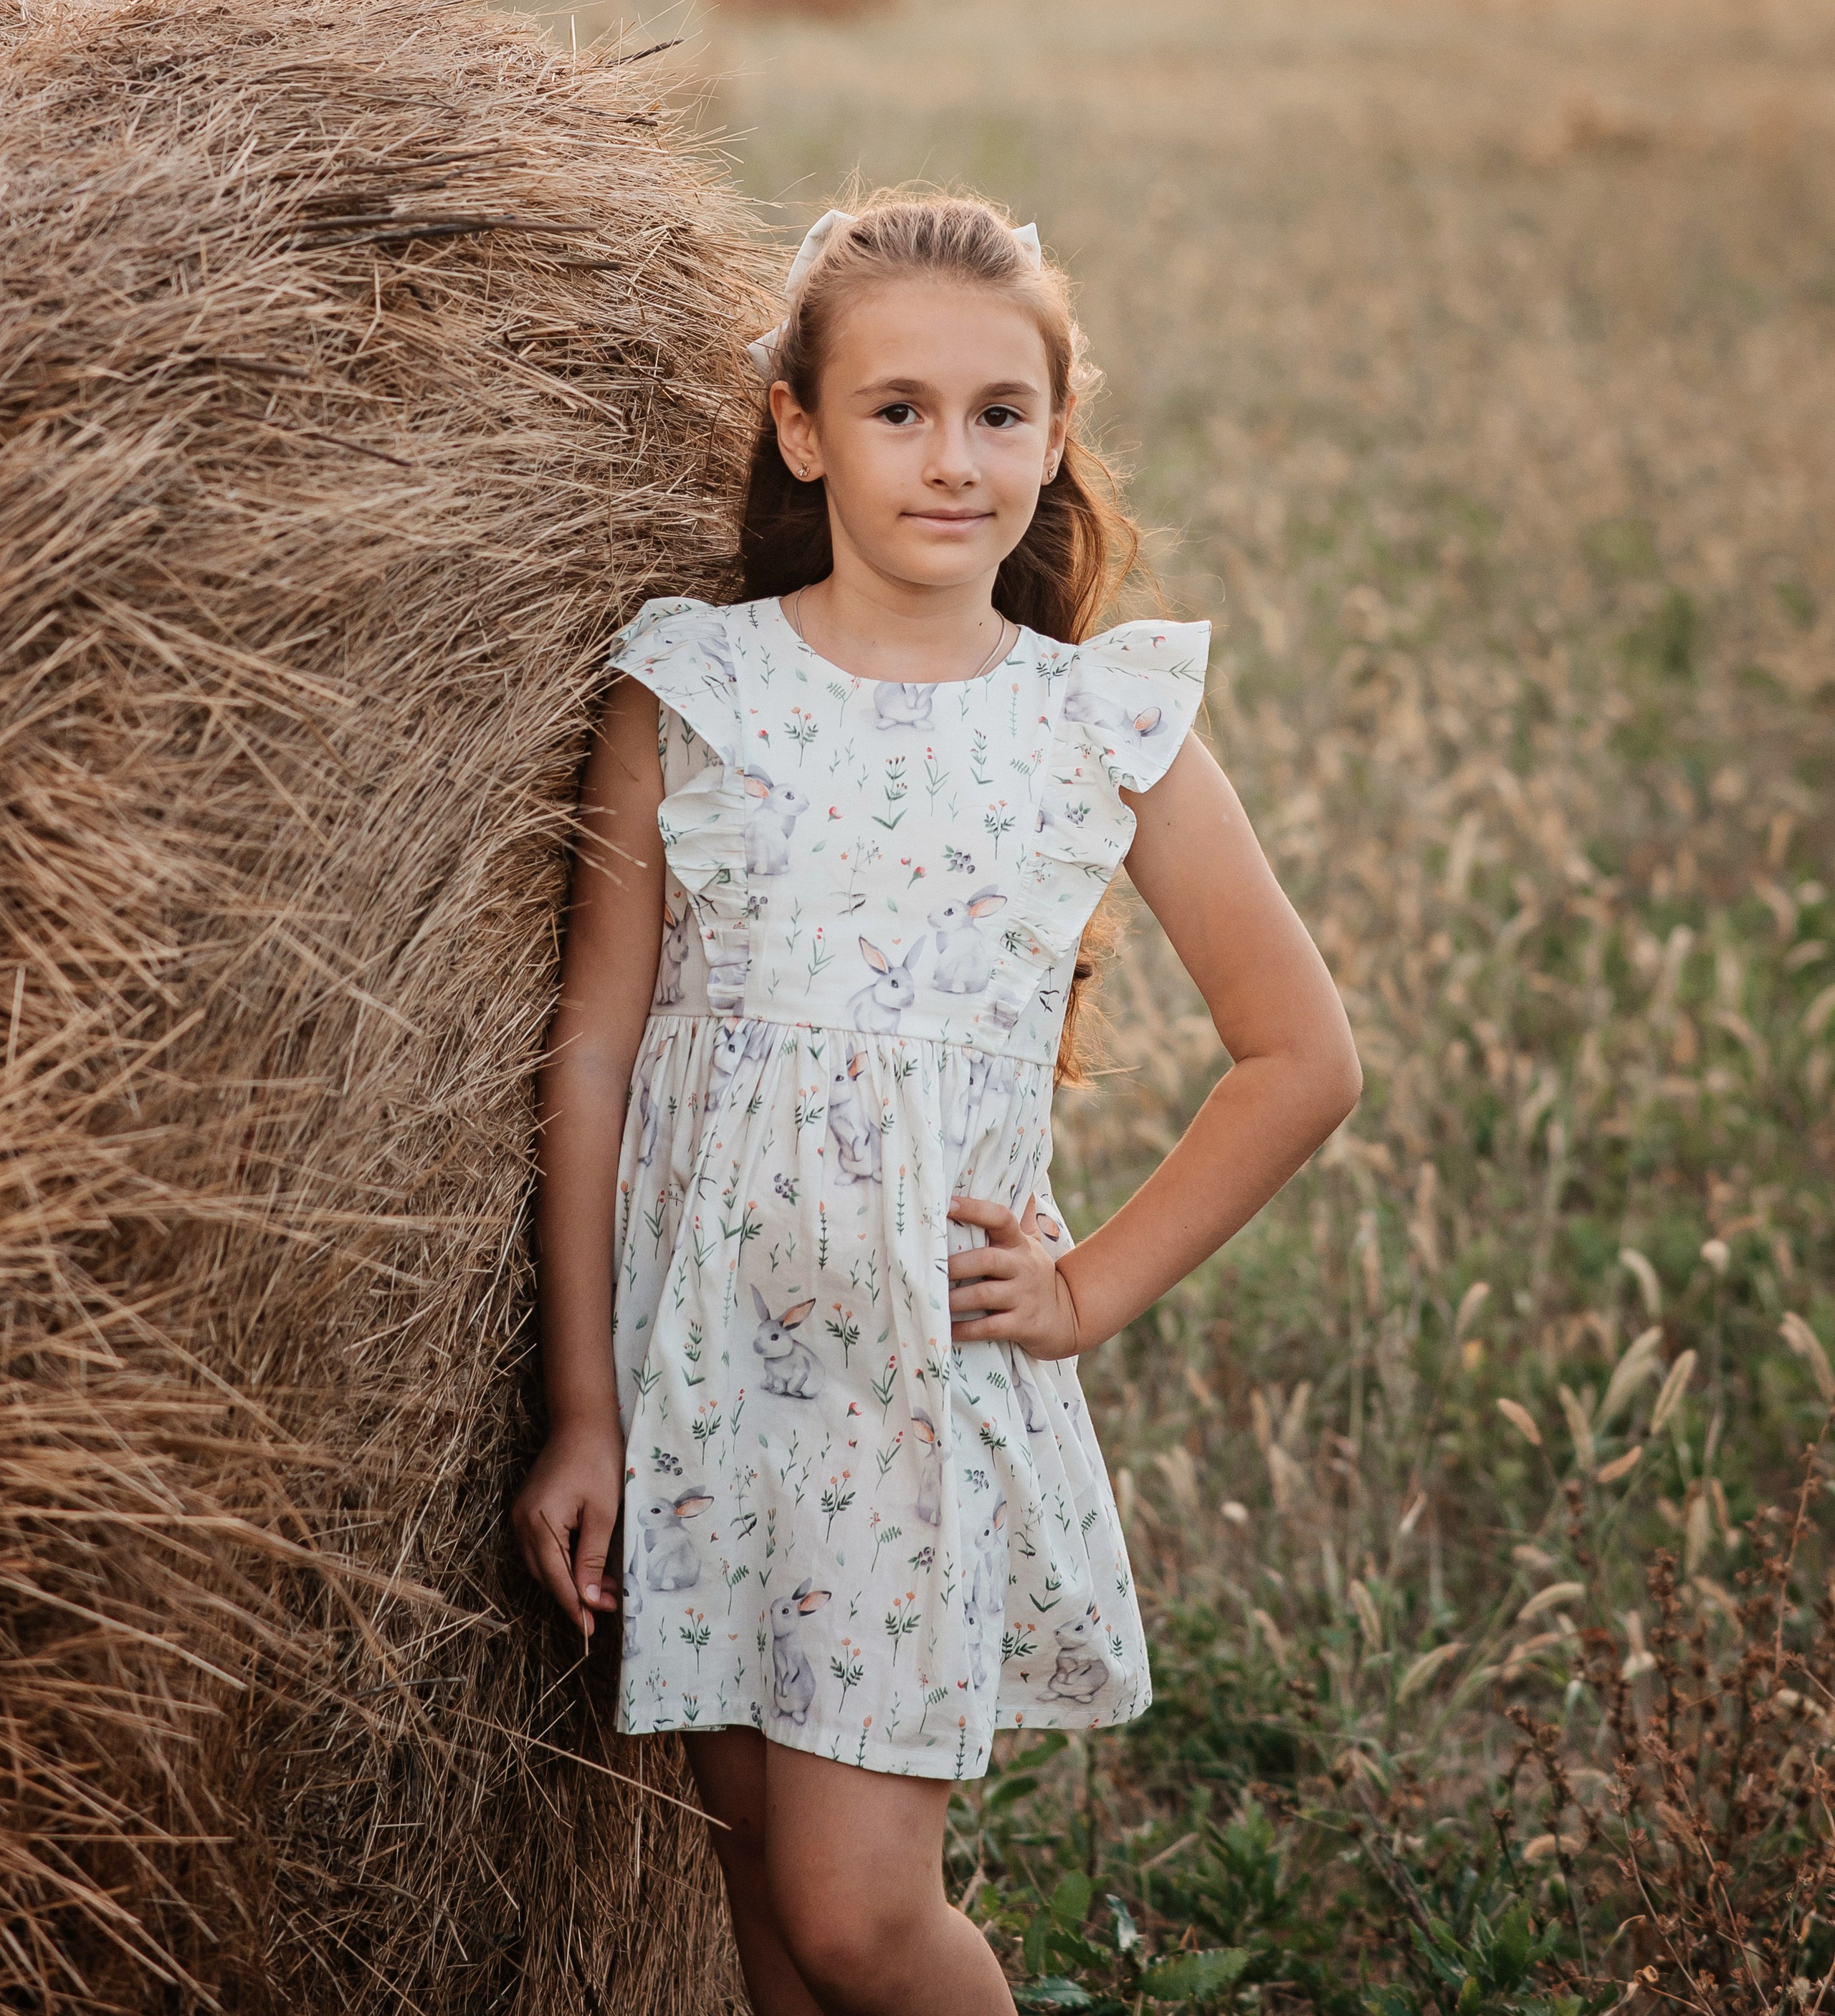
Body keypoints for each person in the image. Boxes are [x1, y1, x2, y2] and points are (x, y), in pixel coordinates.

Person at [513, 195, 1360, 2015]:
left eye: (997, 413)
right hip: (699, 1369)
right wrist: (583, 1407)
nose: (952, 458)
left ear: (1055, 438)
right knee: (762, 1907)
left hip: (905, 1388)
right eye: (896, 409)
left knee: (855, 1917)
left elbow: (1301, 1055)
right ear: (801, 428)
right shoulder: (690, 687)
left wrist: (1085, 1289)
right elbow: (592, 1049)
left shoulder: (1095, 725)